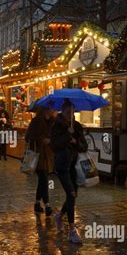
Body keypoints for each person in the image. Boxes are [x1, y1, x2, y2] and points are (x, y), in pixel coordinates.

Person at [50, 99, 88, 244]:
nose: (70, 115)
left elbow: (84, 146)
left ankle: (60, 215)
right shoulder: (56, 126)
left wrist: (75, 142)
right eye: (67, 112)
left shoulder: (77, 126)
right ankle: (72, 230)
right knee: (71, 193)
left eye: (72, 112)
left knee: (73, 195)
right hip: (62, 165)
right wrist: (67, 137)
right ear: (63, 111)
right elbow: (54, 146)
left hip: (74, 165)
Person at [25, 107, 54, 216]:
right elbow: (28, 137)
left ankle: (37, 203)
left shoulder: (53, 121)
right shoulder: (36, 121)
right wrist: (41, 139)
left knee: (42, 179)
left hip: (49, 154)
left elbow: (55, 135)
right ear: (44, 109)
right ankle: (47, 205)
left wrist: (50, 140)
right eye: (50, 108)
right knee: (44, 179)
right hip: (37, 154)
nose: (52, 110)